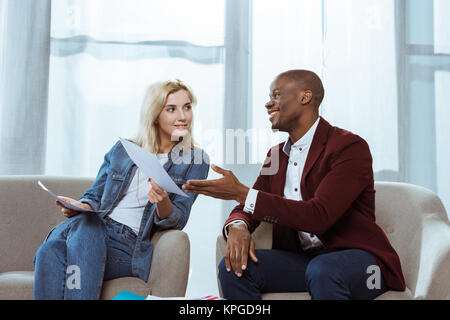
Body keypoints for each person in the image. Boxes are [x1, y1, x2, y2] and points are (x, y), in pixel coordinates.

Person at [183, 70, 406, 300]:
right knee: (233, 270)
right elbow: (251, 204)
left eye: (277, 95)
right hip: (307, 261)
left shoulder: (349, 147)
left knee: (324, 271)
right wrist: (238, 226)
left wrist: (241, 192)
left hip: (362, 264)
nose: (269, 103)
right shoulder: (276, 156)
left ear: (305, 97)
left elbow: (319, 215)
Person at [34, 79, 210, 300]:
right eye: (171, 109)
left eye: (187, 107)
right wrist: (82, 206)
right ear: (155, 114)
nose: (182, 116)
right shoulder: (123, 149)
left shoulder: (195, 160)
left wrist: (163, 201)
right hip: (90, 229)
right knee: (72, 236)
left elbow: (178, 219)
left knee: (52, 252)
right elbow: (94, 195)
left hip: (128, 245)